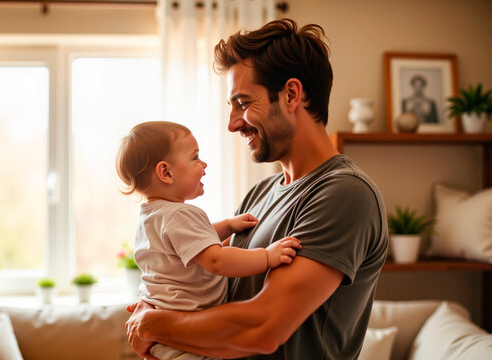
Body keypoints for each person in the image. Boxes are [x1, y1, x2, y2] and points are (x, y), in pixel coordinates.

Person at [126, 18, 388, 359]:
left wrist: (153, 325)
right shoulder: (260, 194)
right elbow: (206, 284)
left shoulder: (343, 194)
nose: (233, 123)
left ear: (291, 94)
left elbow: (261, 331)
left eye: (244, 103)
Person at [116, 121, 302, 360]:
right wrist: (267, 256)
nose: (203, 165)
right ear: (166, 172)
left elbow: (192, 241)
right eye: (195, 158)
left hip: (163, 333)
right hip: (187, 337)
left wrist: (227, 225)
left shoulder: (151, 216)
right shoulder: (182, 214)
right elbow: (215, 259)